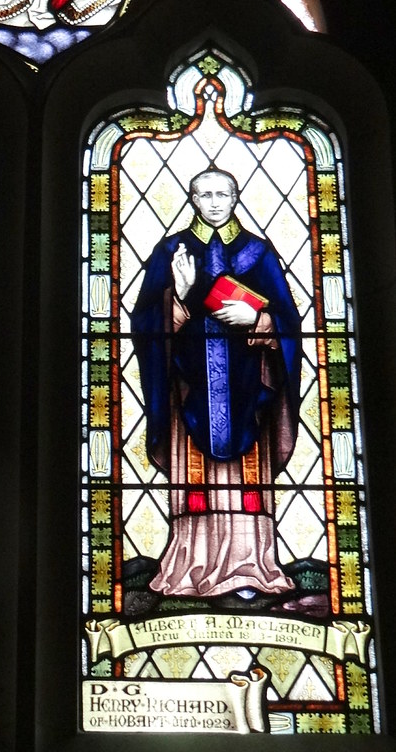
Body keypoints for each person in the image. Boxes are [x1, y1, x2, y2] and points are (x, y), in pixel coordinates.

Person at [131, 168, 301, 599]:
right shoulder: (170, 251)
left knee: (245, 478)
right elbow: (145, 322)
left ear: (235, 196)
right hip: (189, 385)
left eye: (221, 194)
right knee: (197, 479)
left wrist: (259, 320)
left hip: (248, 385)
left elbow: (288, 322)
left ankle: (251, 564)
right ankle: (190, 565)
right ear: (191, 198)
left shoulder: (257, 254)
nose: (214, 202)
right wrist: (181, 298)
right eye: (204, 194)